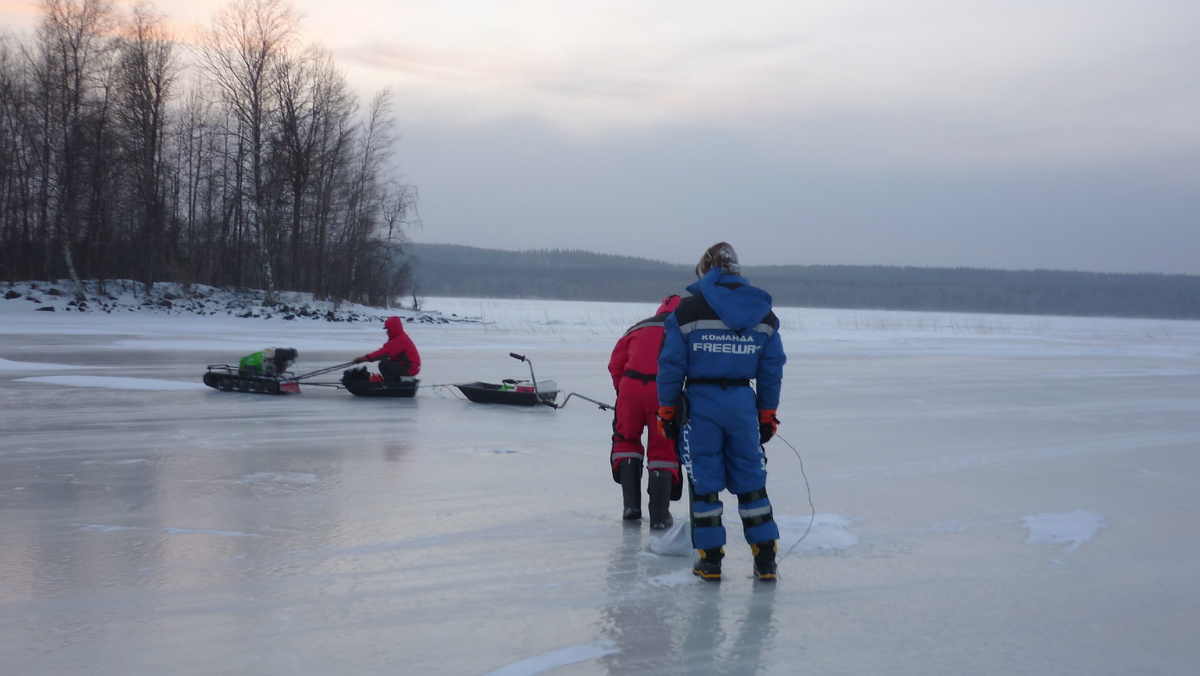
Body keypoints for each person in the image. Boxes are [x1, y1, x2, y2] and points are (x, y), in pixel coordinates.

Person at [656, 242, 786, 582]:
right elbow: (772, 369)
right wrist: (766, 413)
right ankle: (766, 560)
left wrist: (667, 411)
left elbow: (670, 366)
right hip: (743, 402)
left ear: (706, 269)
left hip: (701, 405)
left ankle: (710, 560)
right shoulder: (763, 313)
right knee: (751, 480)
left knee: (704, 479)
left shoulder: (686, 312)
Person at [607, 294, 683, 529]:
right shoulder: (682, 331)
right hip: (662, 393)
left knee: (626, 441)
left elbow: (615, 364)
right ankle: (659, 515)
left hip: (630, 388)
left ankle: (631, 508)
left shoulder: (636, 328)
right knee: (662, 447)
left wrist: (623, 391)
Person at [355, 316, 421, 380]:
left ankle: (392, 386)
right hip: (409, 365)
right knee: (385, 362)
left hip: (410, 367)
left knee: (384, 365)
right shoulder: (399, 337)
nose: (387, 332)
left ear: (393, 328)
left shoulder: (400, 340)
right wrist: (366, 358)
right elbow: (385, 351)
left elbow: (384, 352)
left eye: (388, 329)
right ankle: (393, 382)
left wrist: (366, 358)